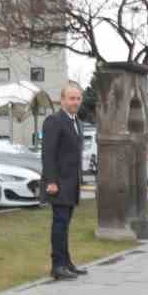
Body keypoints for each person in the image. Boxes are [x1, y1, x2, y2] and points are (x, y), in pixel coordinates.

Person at [41, 82, 88, 280]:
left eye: (78, 98)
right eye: (71, 98)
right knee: (59, 223)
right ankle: (57, 265)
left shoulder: (76, 122)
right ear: (62, 100)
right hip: (58, 183)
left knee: (65, 224)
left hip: (72, 183)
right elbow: (48, 153)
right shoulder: (54, 120)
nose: (75, 102)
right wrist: (51, 181)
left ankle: (66, 262)